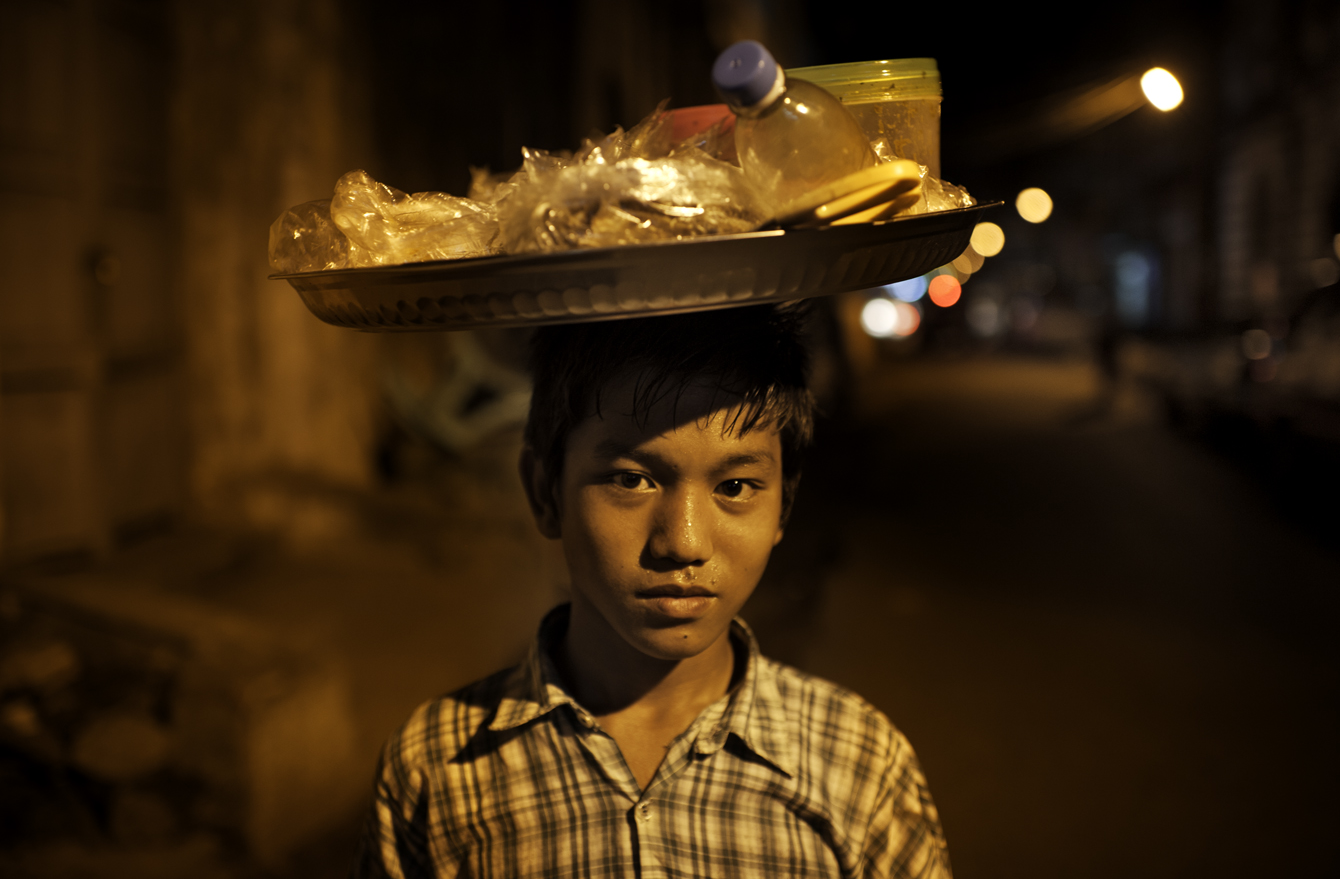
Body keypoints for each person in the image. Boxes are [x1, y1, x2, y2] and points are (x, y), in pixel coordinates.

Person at [351, 304, 951, 879]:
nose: (683, 542)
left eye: (737, 486)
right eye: (631, 480)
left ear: (782, 506)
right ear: (544, 491)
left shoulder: (861, 764)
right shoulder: (437, 766)